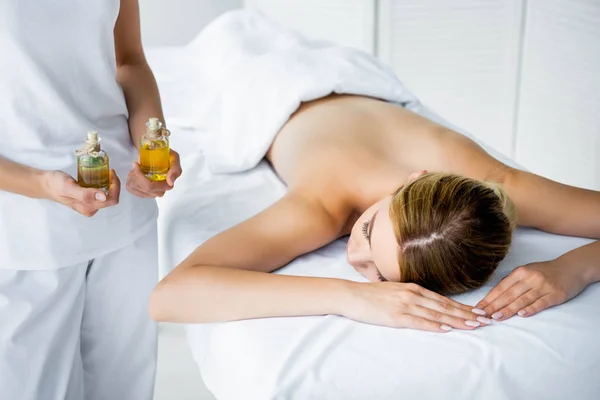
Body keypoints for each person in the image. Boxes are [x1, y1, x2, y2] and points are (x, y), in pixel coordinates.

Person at [149, 93, 600, 333]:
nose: (353, 258)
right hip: (276, 86)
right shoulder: (323, 205)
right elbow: (168, 297)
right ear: (411, 180)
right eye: (366, 230)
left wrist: (575, 267)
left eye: (379, 276)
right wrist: (351, 295)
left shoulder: (501, 189)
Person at [0, 1, 181, 399]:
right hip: (24, 225)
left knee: (125, 390)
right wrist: (42, 184)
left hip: (123, 214)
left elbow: (129, 61)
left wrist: (153, 143)